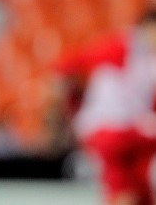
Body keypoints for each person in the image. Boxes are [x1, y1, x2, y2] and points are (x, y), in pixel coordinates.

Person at [55, 10, 156, 205]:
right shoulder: (121, 47)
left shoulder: (148, 58)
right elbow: (69, 63)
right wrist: (69, 99)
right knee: (124, 190)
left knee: (141, 189)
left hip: (131, 132)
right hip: (108, 129)